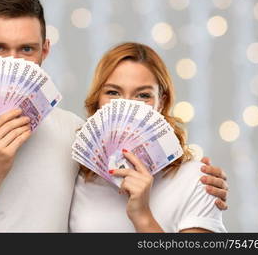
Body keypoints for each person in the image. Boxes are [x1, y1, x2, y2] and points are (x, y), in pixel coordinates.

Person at [0, 0, 228, 232]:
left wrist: (200, 181)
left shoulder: (74, 135)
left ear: (45, 51)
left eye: (26, 48)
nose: (12, 62)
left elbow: (133, 160)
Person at [69, 42, 227, 232]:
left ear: (161, 102)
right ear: (97, 101)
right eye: (113, 92)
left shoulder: (198, 180)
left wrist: (142, 216)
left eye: (143, 95)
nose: (127, 107)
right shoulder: (75, 176)